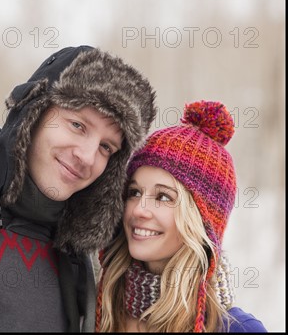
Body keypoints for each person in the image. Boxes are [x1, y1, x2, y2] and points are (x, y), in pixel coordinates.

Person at [0, 45, 157, 332]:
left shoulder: (85, 253)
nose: (87, 156)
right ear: (35, 112)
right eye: (77, 125)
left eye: (106, 147)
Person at [96, 100, 268, 332]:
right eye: (134, 192)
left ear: (199, 220)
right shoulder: (97, 303)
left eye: (164, 197)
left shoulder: (235, 328)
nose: (138, 209)